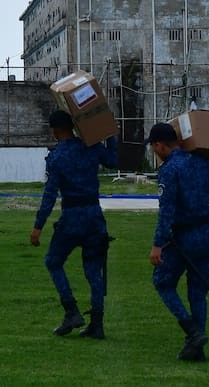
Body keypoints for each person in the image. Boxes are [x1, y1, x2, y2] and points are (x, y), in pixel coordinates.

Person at [29, 109, 119, 339]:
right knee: (93, 272)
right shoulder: (90, 146)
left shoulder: (57, 157)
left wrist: (38, 226)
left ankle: (71, 311)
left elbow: (50, 195)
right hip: (94, 215)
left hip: (71, 216)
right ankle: (97, 324)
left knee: (53, 262)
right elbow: (113, 160)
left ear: (55, 130)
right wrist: (109, 132)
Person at [145, 122, 209, 362]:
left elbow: (166, 210)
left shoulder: (169, 169)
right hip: (207, 232)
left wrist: (158, 244)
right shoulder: (202, 162)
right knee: (197, 292)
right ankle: (198, 349)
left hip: (184, 236)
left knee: (163, 282)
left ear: (160, 145)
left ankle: (192, 331)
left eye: (154, 147)